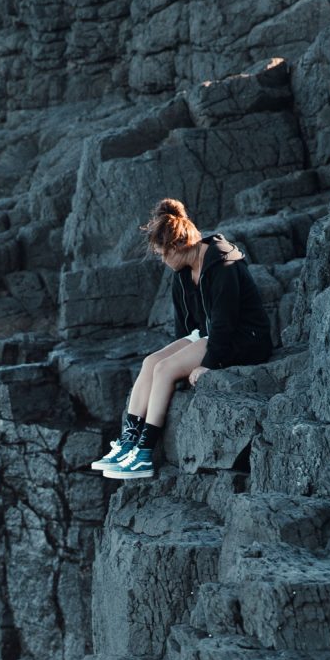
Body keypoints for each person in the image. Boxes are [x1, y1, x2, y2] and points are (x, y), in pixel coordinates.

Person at [97, 200, 274, 483]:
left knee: (165, 370)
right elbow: (185, 329)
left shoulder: (222, 263)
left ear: (179, 245)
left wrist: (208, 365)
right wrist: (182, 361)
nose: (163, 261)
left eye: (163, 254)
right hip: (210, 334)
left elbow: (224, 324)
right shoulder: (182, 273)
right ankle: (128, 441)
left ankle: (143, 454)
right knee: (152, 363)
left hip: (245, 337)